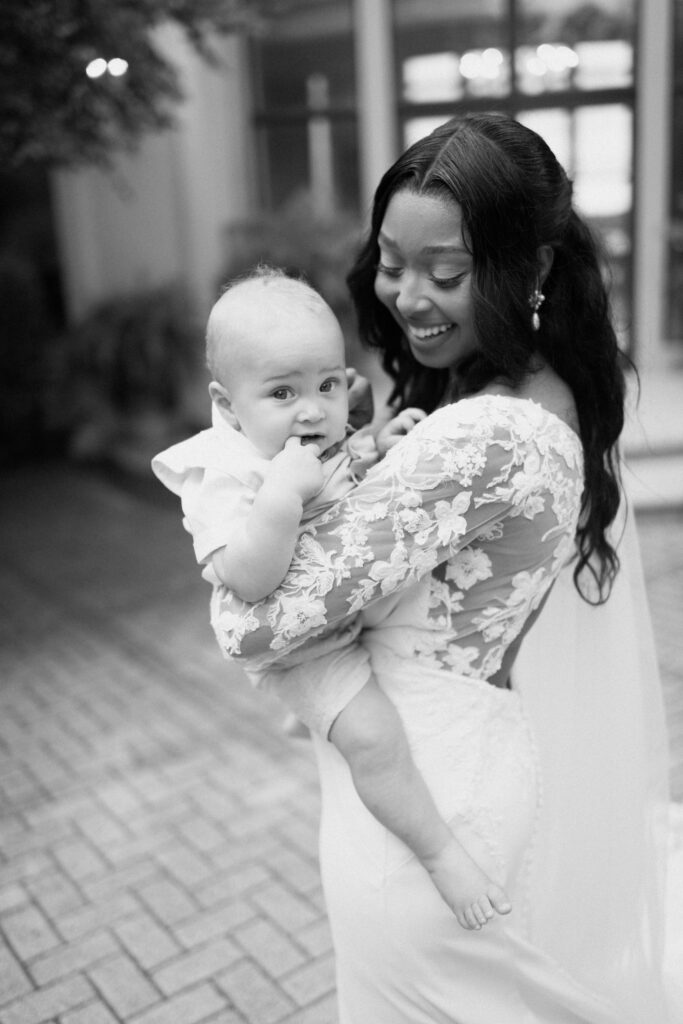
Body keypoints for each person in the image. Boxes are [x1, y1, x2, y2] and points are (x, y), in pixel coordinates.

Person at [214, 113, 681, 1023]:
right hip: (448, 769)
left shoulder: (483, 437)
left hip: (420, 804)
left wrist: (248, 514)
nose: (405, 295)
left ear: (530, 270)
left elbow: (254, 622)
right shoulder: (539, 392)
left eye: (447, 273)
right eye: (390, 261)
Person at [152, 265, 514, 930]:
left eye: (325, 382)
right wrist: (280, 496)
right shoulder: (223, 477)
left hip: (350, 604)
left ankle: (306, 717)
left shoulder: (313, 434)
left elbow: (349, 479)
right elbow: (246, 577)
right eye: (283, 392)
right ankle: (439, 855)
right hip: (303, 650)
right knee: (374, 740)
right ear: (228, 405)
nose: (314, 408)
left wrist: (379, 447)